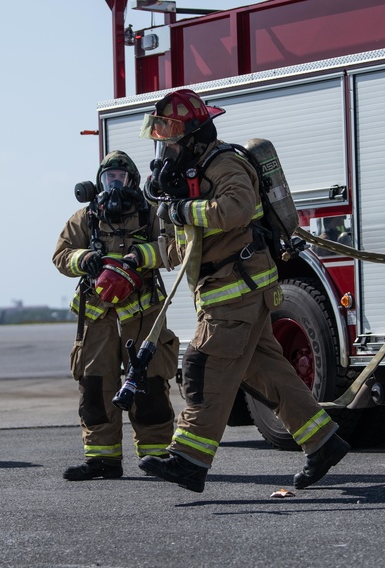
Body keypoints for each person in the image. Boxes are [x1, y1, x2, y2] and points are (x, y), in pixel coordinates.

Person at [136, 88, 350, 493]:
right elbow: (189, 245)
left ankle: (188, 459)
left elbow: (234, 210)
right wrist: (144, 256)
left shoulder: (225, 163)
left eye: (172, 135)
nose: (166, 145)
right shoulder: (194, 173)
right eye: (161, 136)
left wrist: (183, 209)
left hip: (236, 289)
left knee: (203, 366)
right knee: (266, 371)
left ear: (195, 133)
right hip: (228, 288)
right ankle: (323, 442)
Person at [52, 151, 179, 481]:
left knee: (148, 384)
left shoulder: (151, 214)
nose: (114, 185)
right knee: (94, 385)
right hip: (98, 317)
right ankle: (102, 460)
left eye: (120, 179)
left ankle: (156, 456)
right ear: (99, 182)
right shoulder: (86, 217)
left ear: (133, 182)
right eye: (108, 179)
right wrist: (85, 259)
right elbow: (61, 255)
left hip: (143, 313)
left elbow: (176, 248)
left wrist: (142, 254)